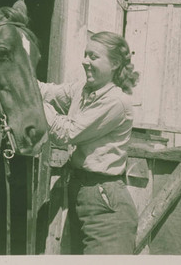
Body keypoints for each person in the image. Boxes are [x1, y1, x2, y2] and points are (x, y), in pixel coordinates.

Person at [39, 31, 139, 255]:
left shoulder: (116, 101)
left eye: (93, 56)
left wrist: (37, 105)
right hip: (81, 191)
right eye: (85, 55)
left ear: (114, 64)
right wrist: (18, 78)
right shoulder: (83, 90)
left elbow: (67, 133)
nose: (85, 61)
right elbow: (48, 92)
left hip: (105, 201)